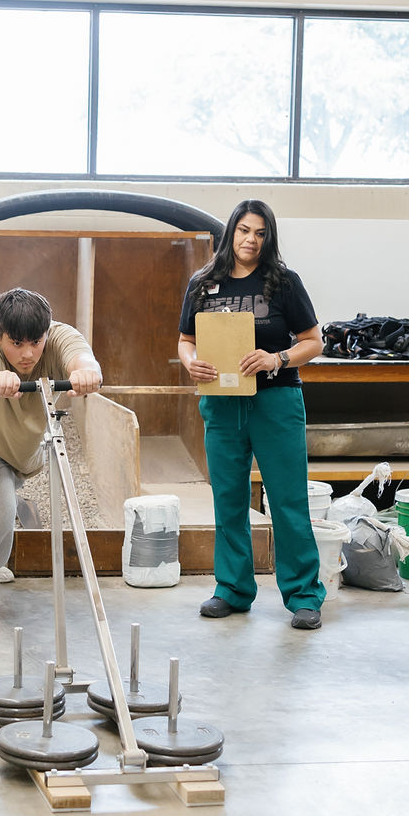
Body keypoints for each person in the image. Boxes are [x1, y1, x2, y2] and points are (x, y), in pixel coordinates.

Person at [177, 199, 325, 629]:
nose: (251, 240)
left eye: (260, 233)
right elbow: (185, 340)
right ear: (231, 232)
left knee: (288, 498)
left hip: (275, 402)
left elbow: (313, 342)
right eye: (244, 230)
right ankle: (233, 589)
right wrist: (190, 362)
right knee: (228, 498)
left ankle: (304, 595)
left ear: (269, 237)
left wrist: (277, 358)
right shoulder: (203, 283)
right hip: (222, 403)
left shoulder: (283, 283)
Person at [0, 287, 103, 614]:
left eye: (36, 342)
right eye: (16, 344)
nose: (28, 354)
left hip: (20, 444)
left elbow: (83, 358)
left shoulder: (61, 336)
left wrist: (86, 372)